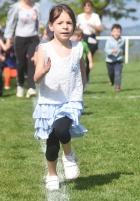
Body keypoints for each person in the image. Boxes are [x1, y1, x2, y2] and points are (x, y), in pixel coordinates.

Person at [33, 4, 87, 190]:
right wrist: (44, 71)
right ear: (51, 26)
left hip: (70, 101)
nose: (65, 26)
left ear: (74, 26)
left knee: (63, 130)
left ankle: (69, 155)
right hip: (49, 102)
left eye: (69, 23)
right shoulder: (44, 49)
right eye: (60, 22)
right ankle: (52, 175)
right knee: (52, 144)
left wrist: (81, 90)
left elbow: (82, 71)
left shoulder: (78, 47)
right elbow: (36, 78)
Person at [4, 0, 40, 98]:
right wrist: (8, 39)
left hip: (33, 38)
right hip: (20, 38)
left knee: (31, 62)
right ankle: (20, 85)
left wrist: (40, 35)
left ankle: (31, 88)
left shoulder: (36, 7)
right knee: (21, 64)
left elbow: (39, 22)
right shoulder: (16, 7)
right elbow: (10, 24)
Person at [77, 0, 102, 84]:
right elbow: (76, 27)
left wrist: (93, 26)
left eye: (88, 5)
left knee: (89, 57)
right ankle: (83, 76)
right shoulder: (80, 16)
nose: (87, 7)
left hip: (92, 37)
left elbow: (99, 29)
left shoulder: (95, 16)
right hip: (83, 38)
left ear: (91, 7)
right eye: (85, 5)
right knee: (83, 57)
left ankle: (86, 75)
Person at [104, 23, 125, 92]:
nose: (116, 33)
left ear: (121, 32)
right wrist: (112, 51)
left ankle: (117, 86)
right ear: (112, 32)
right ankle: (112, 80)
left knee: (118, 73)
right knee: (111, 73)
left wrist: (123, 52)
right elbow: (106, 50)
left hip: (118, 60)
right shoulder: (109, 41)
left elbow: (123, 48)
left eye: (118, 31)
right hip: (109, 60)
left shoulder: (122, 40)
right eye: (115, 31)